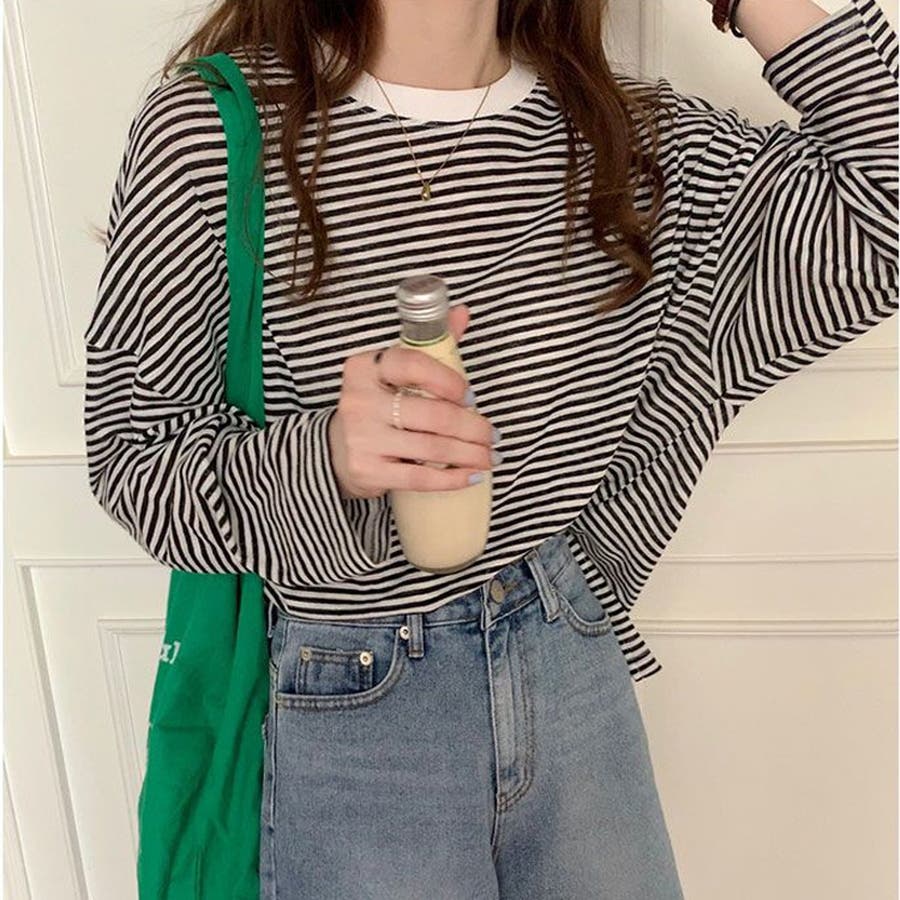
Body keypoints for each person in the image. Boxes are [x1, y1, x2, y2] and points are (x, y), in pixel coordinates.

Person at [83, 0, 898, 896]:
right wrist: (331, 459)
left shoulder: (639, 147)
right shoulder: (211, 131)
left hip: (567, 658)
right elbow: (134, 459)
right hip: (348, 700)